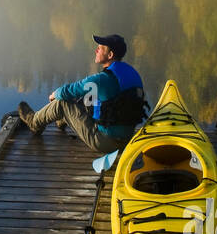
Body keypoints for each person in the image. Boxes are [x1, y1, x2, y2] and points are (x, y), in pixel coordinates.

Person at [16, 33, 148, 154]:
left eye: (101, 48)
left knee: (62, 103)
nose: (96, 50)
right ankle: (62, 120)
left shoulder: (102, 79)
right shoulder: (133, 74)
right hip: (127, 140)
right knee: (88, 98)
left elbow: (70, 90)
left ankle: (34, 123)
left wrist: (54, 94)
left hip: (105, 142)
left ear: (110, 55)